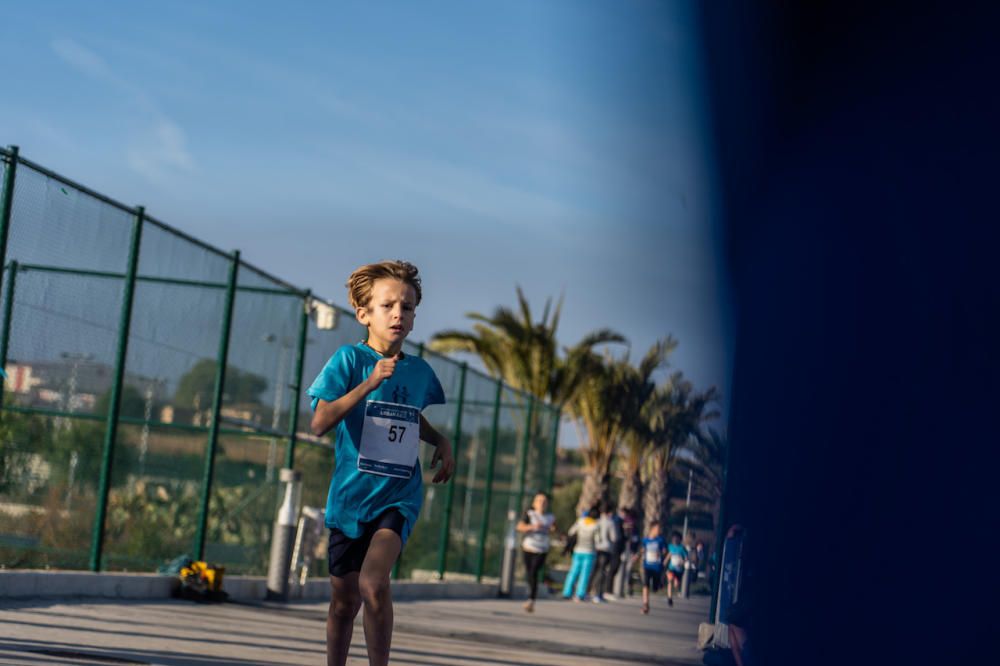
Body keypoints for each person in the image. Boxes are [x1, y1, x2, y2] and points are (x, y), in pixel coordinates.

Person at [307, 260, 455, 666]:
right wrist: (369, 383)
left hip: (398, 495)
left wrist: (439, 438)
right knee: (343, 602)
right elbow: (319, 422)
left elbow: (405, 414)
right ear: (363, 314)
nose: (398, 314)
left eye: (406, 308)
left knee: (374, 583)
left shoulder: (420, 372)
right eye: (388, 305)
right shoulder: (348, 362)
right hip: (351, 499)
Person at [516, 491, 556, 613]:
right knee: (529, 573)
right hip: (528, 547)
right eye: (539, 501)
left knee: (534, 572)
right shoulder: (530, 514)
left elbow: (554, 529)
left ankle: (531, 600)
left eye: (544, 501)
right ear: (534, 502)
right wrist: (532, 527)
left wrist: (551, 528)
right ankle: (530, 596)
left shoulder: (550, 517)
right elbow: (520, 527)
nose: (541, 503)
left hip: (542, 549)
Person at [562, 506, 599, 602]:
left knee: (573, 572)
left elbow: (571, 532)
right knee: (584, 574)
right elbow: (597, 540)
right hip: (589, 552)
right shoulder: (595, 525)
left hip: (577, 550)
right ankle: (580, 594)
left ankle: (567, 592)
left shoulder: (581, 521)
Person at [588, 501, 618, 603]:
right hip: (605, 549)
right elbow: (614, 538)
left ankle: (588, 591)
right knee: (602, 571)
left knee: (593, 571)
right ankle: (598, 594)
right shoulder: (610, 522)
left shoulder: (596, 521)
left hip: (594, 548)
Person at [636, 520, 667, 614]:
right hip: (647, 565)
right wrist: (637, 555)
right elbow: (642, 549)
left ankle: (659, 585)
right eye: (657, 528)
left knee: (655, 588)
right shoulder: (645, 540)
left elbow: (665, 551)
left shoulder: (661, 540)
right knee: (645, 584)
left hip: (657, 567)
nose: (659, 530)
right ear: (652, 529)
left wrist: (662, 555)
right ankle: (645, 604)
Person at [604, 505, 627, 599]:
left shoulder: (617, 520)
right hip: (615, 549)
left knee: (613, 570)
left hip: (616, 549)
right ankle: (607, 591)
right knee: (612, 570)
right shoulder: (617, 520)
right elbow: (618, 537)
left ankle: (608, 590)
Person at [665, 530, 688, 607]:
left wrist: (682, 563)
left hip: (679, 569)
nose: (674, 540)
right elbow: (670, 554)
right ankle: (669, 598)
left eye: (676, 538)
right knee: (670, 581)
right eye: (673, 538)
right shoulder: (670, 546)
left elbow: (686, 558)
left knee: (676, 584)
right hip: (671, 568)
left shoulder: (682, 548)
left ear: (679, 539)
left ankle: (678, 588)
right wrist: (665, 561)